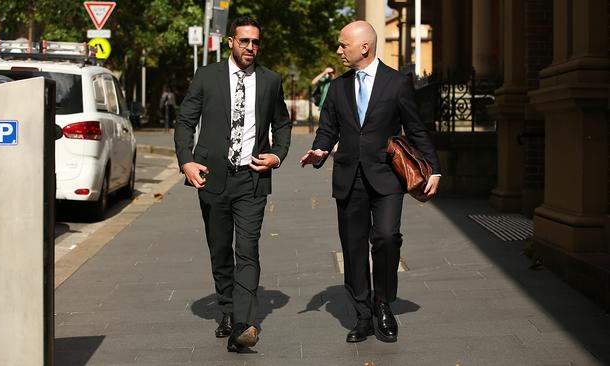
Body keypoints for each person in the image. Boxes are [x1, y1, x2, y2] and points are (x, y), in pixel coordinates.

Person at [300, 21, 441, 344]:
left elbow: (416, 129)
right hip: (349, 178)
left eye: (342, 45)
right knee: (353, 248)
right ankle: (362, 315)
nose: (338, 51)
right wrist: (320, 150)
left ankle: (383, 303)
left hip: (387, 176)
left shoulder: (397, 84)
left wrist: (433, 168)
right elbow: (328, 128)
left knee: (387, 237)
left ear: (364, 47)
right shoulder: (337, 88)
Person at [174, 16, 292, 352]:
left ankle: (244, 323)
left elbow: (282, 125)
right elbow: (185, 122)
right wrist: (186, 161)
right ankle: (227, 308)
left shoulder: (271, 81)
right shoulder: (207, 77)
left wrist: (277, 156)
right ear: (231, 42)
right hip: (213, 177)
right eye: (245, 41)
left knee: (248, 249)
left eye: (256, 42)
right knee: (220, 248)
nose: (251, 48)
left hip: (252, 178)